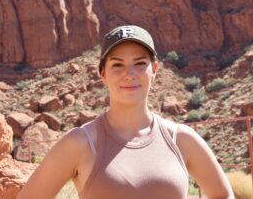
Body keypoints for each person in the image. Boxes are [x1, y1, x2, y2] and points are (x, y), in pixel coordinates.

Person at [18, 25, 234, 199]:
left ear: (155, 70)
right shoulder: (80, 142)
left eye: (140, 63)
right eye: (117, 65)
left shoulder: (181, 139)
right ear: (103, 74)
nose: (129, 74)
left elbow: (223, 195)